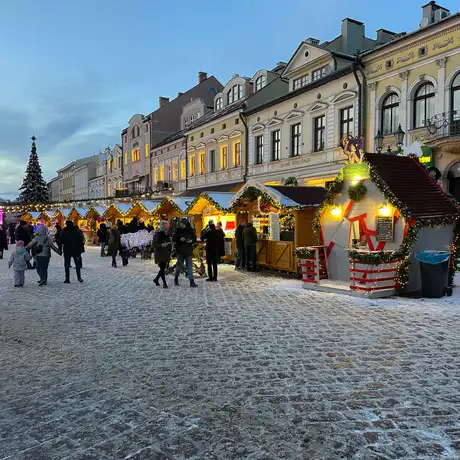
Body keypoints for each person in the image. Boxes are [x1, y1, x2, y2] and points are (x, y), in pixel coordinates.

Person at [173, 217, 198, 287]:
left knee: (189, 267)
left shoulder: (190, 230)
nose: (182, 225)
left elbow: (194, 238)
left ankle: (191, 281)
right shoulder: (178, 230)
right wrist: (179, 239)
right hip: (180, 251)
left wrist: (191, 241)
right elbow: (174, 238)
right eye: (181, 224)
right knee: (178, 267)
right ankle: (176, 278)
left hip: (188, 251)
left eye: (183, 224)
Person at [152, 220, 171, 288]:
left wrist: (169, 244)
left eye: (167, 230)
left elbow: (169, 244)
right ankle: (164, 283)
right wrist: (161, 245)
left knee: (162, 268)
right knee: (162, 268)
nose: (166, 231)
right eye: (165, 230)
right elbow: (154, 244)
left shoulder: (167, 235)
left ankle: (156, 279)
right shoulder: (157, 235)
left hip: (165, 253)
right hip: (159, 253)